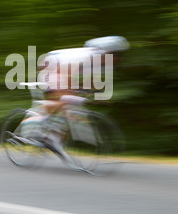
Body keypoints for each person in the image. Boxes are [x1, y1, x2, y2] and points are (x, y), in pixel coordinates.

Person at [30, 35, 130, 165]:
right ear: (104, 51)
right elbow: (65, 74)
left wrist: (95, 95)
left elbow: (91, 83)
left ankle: (53, 139)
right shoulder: (88, 57)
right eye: (114, 54)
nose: (117, 58)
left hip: (62, 72)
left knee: (72, 109)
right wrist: (71, 92)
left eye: (119, 54)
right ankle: (36, 122)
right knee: (65, 99)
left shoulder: (102, 62)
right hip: (50, 67)